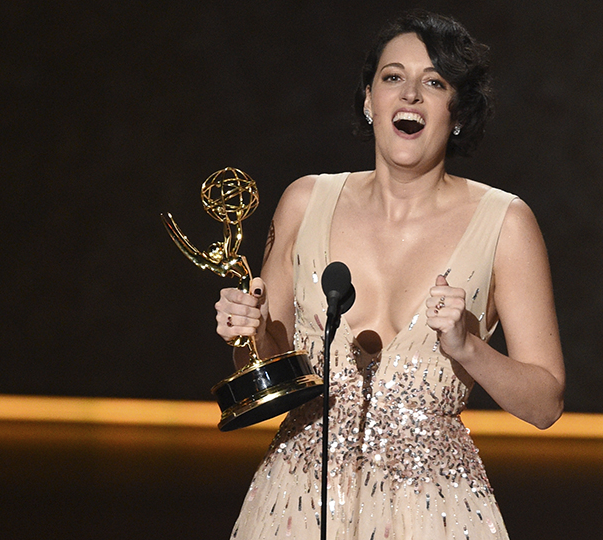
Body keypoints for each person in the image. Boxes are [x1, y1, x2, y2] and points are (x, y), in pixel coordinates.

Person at [214, 10, 565, 540]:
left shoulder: (506, 223)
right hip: (298, 503)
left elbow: (545, 405)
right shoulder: (306, 202)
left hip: (434, 513)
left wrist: (468, 347)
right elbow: (263, 364)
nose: (410, 96)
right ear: (368, 100)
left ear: (459, 111)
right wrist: (251, 329)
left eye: (435, 82)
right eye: (393, 77)